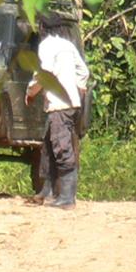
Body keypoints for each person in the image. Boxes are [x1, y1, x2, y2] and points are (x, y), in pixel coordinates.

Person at [25, 15, 89, 210]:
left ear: (42, 29)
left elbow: (44, 73)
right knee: (49, 147)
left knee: (61, 148)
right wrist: (79, 89)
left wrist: (31, 92)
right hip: (71, 103)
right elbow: (84, 71)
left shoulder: (46, 46)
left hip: (59, 104)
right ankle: (47, 192)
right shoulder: (68, 45)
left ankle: (67, 197)